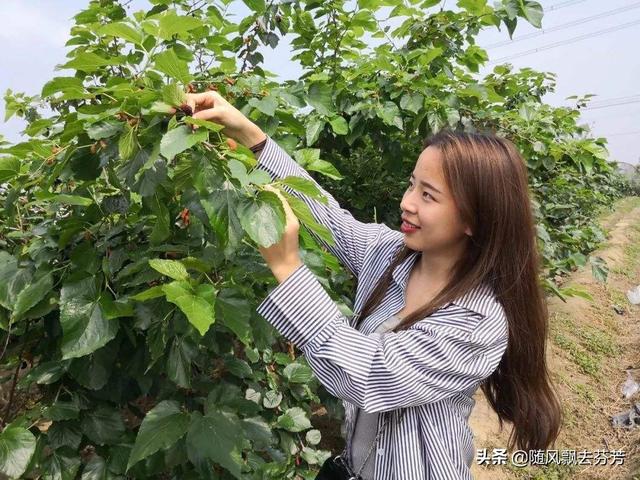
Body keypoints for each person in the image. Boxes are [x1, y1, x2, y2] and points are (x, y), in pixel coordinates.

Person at [182, 90, 563, 480]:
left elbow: (370, 375)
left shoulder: (477, 321)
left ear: (474, 219)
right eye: (412, 184)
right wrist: (251, 136)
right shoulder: (389, 253)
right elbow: (328, 216)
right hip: (356, 466)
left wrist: (287, 267)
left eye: (428, 195)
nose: (407, 202)